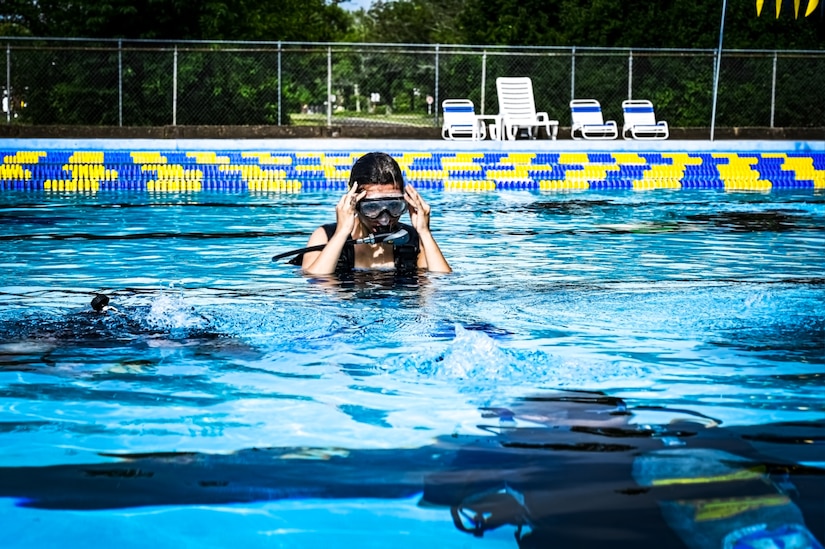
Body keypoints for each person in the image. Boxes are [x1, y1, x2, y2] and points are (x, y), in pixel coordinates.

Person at [300, 152, 451, 275]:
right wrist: (341, 233)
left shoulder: (412, 241)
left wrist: (425, 233)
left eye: (394, 206)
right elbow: (316, 289)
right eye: (372, 207)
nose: (385, 219)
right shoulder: (326, 236)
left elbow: (440, 286)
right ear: (355, 203)